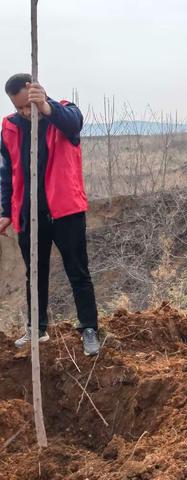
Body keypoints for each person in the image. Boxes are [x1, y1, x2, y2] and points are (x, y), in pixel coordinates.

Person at [0, 73, 100, 356]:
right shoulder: (9, 127)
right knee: (35, 273)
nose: (23, 112)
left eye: (26, 106)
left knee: (78, 271)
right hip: (29, 214)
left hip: (66, 211)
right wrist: (7, 211)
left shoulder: (63, 113)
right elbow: (7, 173)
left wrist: (45, 107)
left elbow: (74, 124)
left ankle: (89, 327)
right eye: (18, 107)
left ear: (36, 92)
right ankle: (36, 328)